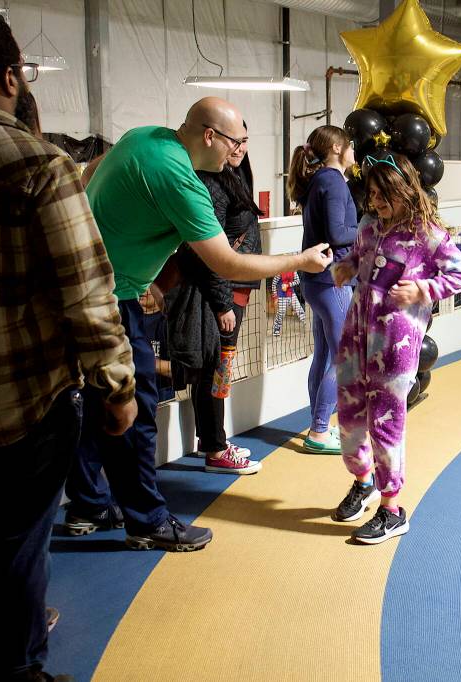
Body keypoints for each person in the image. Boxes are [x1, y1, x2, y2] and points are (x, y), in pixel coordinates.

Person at [0, 11, 136, 681]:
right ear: (9, 76)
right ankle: (15, 670)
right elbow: (86, 294)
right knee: (19, 548)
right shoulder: (40, 166)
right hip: (27, 406)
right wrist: (118, 389)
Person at [63, 96, 333, 551]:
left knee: (95, 402)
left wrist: (127, 260)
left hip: (88, 284)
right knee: (136, 411)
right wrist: (301, 261)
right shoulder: (183, 181)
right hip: (114, 300)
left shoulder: (143, 137)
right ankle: (146, 521)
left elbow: (91, 172)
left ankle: (88, 503)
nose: (238, 150)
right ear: (210, 135)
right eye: (235, 141)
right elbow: (225, 262)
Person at [330, 153, 461, 544]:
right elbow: (360, 259)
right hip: (355, 338)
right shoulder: (370, 228)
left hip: (395, 346)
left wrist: (423, 289)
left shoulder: (427, 234)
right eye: (372, 194)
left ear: (404, 190)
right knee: (349, 415)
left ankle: (392, 509)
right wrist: (345, 268)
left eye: (383, 194)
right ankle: (363, 483)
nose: (375, 201)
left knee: (385, 423)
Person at [176, 120, 263, 474]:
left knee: (217, 367)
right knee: (217, 369)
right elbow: (208, 250)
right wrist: (222, 302)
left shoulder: (236, 173)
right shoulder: (211, 181)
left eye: (244, 139)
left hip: (235, 287)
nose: (239, 147)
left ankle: (212, 441)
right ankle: (215, 448)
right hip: (222, 293)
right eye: (234, 140)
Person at [287, 125, 359, 454]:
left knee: (326, 354)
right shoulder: (331, 181)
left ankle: (319, 425)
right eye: (350, 146)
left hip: (317, 280)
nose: (354, 152)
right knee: (342, 358)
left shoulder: (318, 181)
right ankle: (319, 431)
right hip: (332, 281)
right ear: (336, 149)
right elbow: (337, 232)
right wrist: (367, 229)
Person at [271, 271, 306, 337]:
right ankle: (276, 328)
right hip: (281, 295)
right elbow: (273, 284)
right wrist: (275, 297)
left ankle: (307, 326)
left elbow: (298, 281)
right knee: (281, 313)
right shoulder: (280, 271)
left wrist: (288, 285)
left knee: (299, 310)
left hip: (292, 294)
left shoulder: (293, 270)